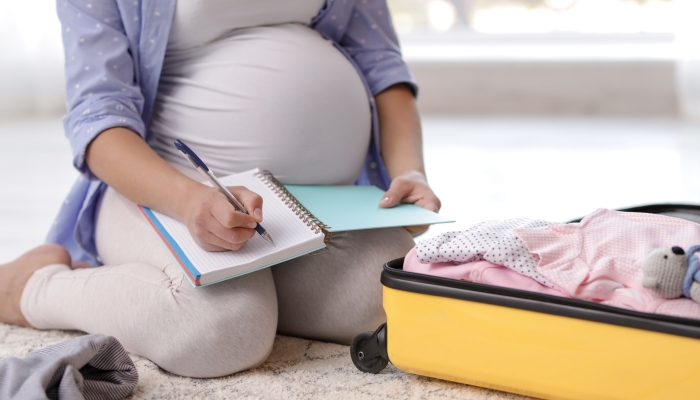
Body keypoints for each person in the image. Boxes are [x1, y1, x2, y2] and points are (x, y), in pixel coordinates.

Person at [0, 0, 441, 378]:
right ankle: (31, 289)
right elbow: (98, 118)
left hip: (307, 208)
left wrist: (410, 171)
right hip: (164, 191)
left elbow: (383, 69)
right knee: (224, 328)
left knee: (398, 292)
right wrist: (188, 200)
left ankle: (257, 278)